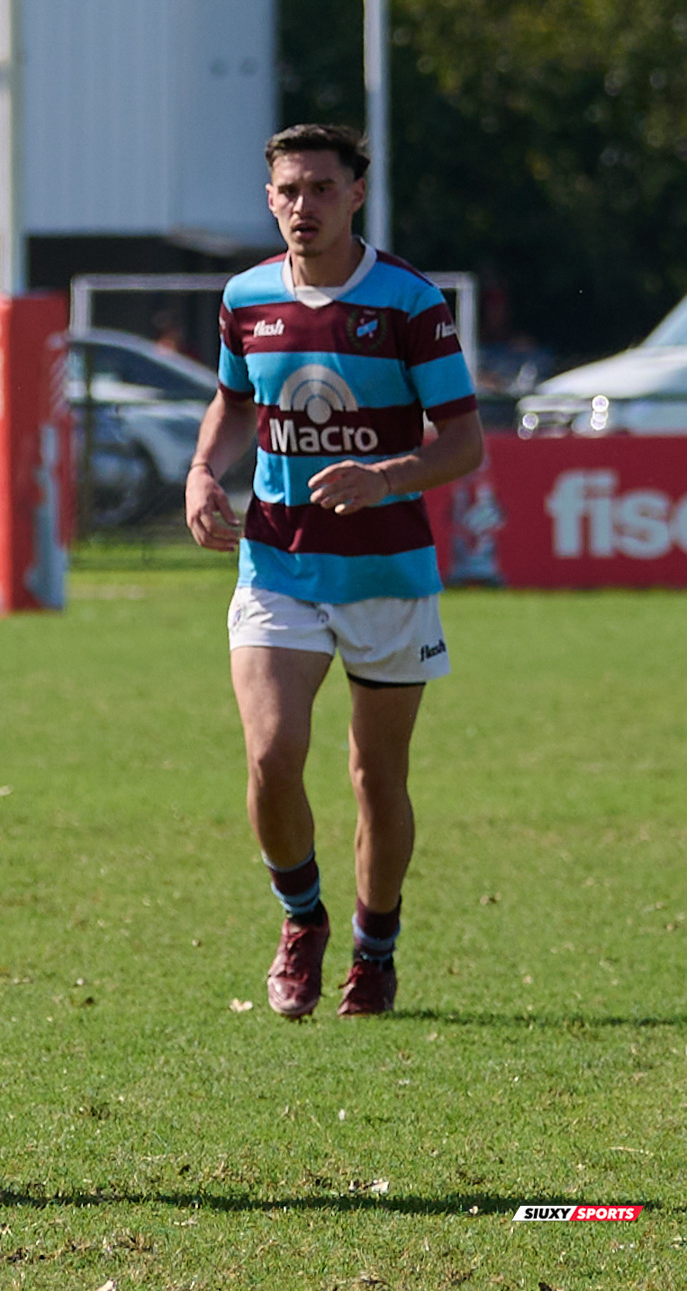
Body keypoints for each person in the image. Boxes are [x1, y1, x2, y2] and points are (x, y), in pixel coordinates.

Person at [185, 123, 483, 1019]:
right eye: (287, 190)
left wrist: (385, 475)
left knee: (374, 777)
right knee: (273, 754)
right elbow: (235, 402)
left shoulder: (407, 301)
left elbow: (463, 441)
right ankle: (300, 918)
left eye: (320, 188)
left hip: (389, 573)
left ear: (357, 193)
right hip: (279, 559)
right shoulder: (244, 296)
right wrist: (204, 468)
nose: (301, 206)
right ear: (269, 197)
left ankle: (376, 943)